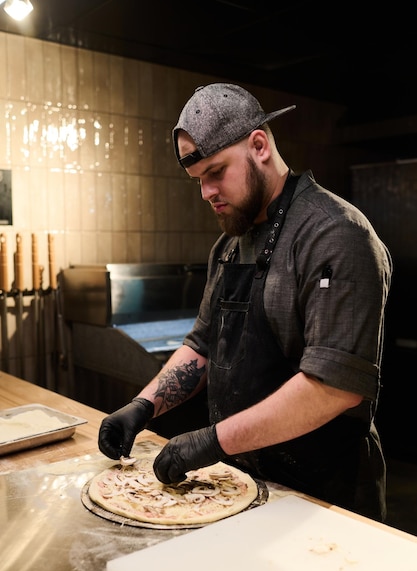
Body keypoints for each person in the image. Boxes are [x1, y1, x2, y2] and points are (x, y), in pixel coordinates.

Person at [98, 83, 392, 522]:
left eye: (216, 172)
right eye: (199, 180)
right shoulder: (229, 246)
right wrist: (144, 406)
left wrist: (212, 441)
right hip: (243, 479)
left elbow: (334, 388)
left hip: (325, 494)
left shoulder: (336, 235)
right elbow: (202, 344)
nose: (206, 193)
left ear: (259, 146)